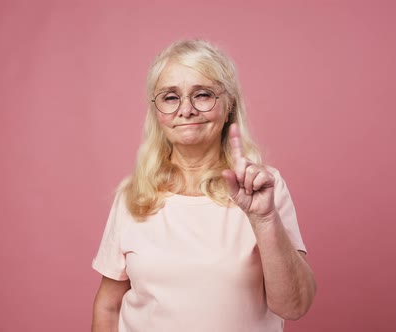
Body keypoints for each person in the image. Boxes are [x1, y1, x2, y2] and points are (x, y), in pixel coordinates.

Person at [91, 39, 316, 332]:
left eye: (203, 94)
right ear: (156, 111)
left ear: (229, 103)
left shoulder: (262, 188)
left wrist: (264, 218)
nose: (186, 110)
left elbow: (294, 306)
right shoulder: (134, 195)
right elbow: (108, 305)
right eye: (171, 97)